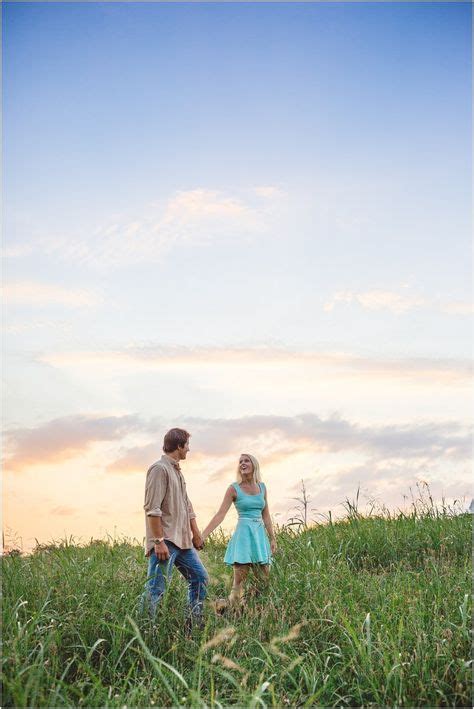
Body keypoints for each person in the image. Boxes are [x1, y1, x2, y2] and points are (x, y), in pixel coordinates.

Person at [142, 428, 208, 629]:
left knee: (200, 578)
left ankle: (193, 626)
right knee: (156, 589)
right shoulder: (159, 469)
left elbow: (187, 506)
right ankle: (147, 632)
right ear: (179, 446)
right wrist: (158, 541)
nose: (189, 449)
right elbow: (152, 509)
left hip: (183, 542)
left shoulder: (177, 471)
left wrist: (195, 533)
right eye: (187, 445)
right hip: (166, 541)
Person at [202, 453, 276, 606]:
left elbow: (266, 516)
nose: (242, 463)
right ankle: (225, 609)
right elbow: (220, 514)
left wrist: (272, 538)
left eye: (246, 460)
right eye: (240, 461)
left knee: (264, 580)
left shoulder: (262, 487)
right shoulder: (233, 489)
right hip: (243, 537)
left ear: (254, 464)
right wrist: (203, 535)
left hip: (259, 538)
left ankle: (254, 612)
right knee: (239, 583)